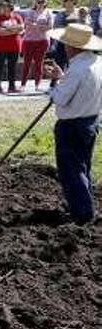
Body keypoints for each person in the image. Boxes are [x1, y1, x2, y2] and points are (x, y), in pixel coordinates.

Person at [44, 23, 102, 224]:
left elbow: (60, 99)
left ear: (72, 47)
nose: (64, 48)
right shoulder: (97, 62)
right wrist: (62, 78)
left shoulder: (77, 68)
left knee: (71, 171)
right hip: (91, 121)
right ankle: (84, 206)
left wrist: (52, 89)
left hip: (72, 126)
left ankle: (83, 214)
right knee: (82, 167)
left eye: (65, 44)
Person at [21, 0, 53, 92]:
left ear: (45, 3)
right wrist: (41, 26)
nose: (40, 3)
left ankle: (37, 84)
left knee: (39, 63)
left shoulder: (48, 12)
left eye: (42, 1)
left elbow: (50, 26)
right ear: (35, 3)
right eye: (39, 2)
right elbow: (27, 23)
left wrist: (36, 25)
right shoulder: (30, 12)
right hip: (29, 41)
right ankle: (23, 84)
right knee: (27, 63)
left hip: (42, 41)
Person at [0, 1, 23, 94]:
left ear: (10, 7)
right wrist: (13, 30)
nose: (4, 8)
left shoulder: (17, 17)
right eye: (2, 7)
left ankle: (12, 86)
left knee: (12, 67)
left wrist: (6, 31)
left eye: (6, 6)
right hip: (0, 47)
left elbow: (21, 28)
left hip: (14, 46)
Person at [53, 0, 79, 71]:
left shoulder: (80, 13)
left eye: (69, 0)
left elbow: (86, 26)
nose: (67, 2)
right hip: (62, 43)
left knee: (74, 65)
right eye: (65, 1)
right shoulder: (60, 14)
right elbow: (56, 28)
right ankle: (55, 81)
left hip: (76, 44)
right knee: (60, 65)